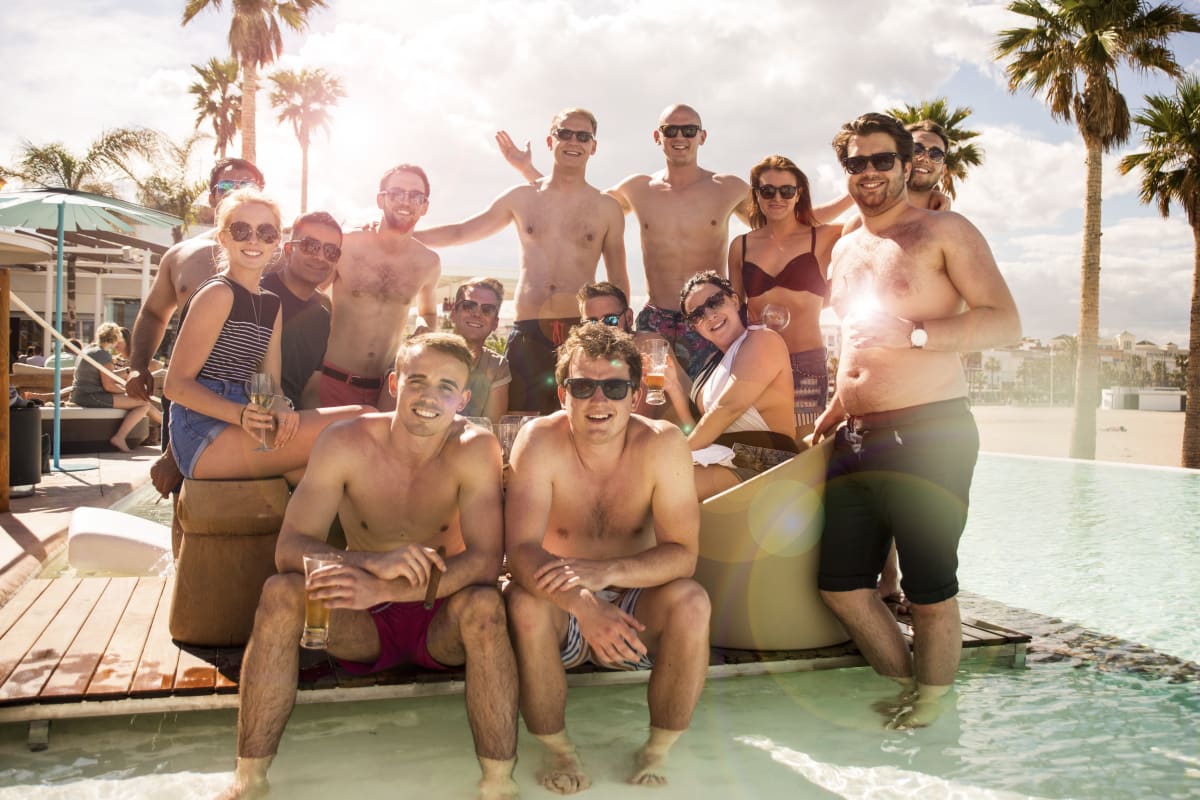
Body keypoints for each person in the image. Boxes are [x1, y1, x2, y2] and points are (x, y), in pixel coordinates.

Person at [218, 332, 518, 800]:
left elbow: (484, 561)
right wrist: (372, 565)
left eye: (445, 386)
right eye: (418, 380)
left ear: (462, 399)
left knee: (485, 606)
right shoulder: (346, 441)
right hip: (361, 622)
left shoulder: (475, 448)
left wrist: (388, 589)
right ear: (396, 383)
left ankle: (499, 784)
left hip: (442, 617)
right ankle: (249, 779)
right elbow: (290, 548)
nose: (429, 396)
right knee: (280, 592)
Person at [814, 113, 1021, 728]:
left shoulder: (944, 231)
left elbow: (1005, 322)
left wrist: (918, 332)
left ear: (909, 165)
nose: (869, 173)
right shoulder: (847, 246)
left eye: (882, 160)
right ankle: (910, 684)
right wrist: (835, 403)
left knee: (930, 592)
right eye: (856, 163)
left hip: (929, 433)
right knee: (842, 586)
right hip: (855, 435)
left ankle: (932, 711)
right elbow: (853, 341)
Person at [498, 103, 851, 378]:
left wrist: (855, 195)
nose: (679, 136)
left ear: (702, 136)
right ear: (658, 136)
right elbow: (580, 204)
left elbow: (791, 217)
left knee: (706, 408)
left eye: (689, 129)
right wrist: (527, 171)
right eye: (671, 130)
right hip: (656, 322)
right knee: (650, 409)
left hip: (711, 321)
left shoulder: (727, 188)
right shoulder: (637, 188)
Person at [504, 323, 709, 792]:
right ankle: (559, 750)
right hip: (561, 604)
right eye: (583, 387)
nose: (599, 402)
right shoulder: (538, 441)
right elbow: (520, 551)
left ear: (635, 396)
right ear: (563, 394)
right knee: (524, 603)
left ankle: (657, 749)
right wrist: (583, 602)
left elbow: (684, 557)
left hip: (635, 612)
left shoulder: (662, 445)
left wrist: (609, 572)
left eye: (614, 387)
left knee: (692, 601)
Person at [418, 108, 628, 416]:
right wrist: (406, 233)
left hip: (579, 328)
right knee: (516, 422)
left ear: (593, 146)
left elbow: (618, 281)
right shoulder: (521, 197)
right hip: (528, 329)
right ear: (550, 140)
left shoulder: (607, 208)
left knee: (577, 420)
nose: (573, 141)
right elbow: (462, 230)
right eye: (564, 133)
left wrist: (620, 334)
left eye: (583, 136)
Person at [163, 188, 366, 485]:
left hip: (248, 421)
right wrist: (241, 414)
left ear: (276, 242)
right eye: (241, 230)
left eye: (266, 232)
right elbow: (175, 386)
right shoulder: (218, 294)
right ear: (223, 238)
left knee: (316, 477)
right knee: (363, 419)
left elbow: (268, 385)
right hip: (203, 432)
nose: (254, 240)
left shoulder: (271, 304)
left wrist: (282, 408)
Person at [127, 158, 265, 404]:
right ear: (212, 197)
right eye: (225, 186)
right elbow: (153, 314)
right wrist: (138, 366)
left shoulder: (276, 256)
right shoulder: (181, 255)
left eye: (247, 186)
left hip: (253, 391)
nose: (236, 192)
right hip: (186, 388)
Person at [728, 156, 840, 437]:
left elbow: (879, 219)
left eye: (786, 191)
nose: (776, 197)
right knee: (762, 443)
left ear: (798, 194)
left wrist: (931, 199)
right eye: (768, 191)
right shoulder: (740, 246)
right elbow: (735, 311)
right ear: (757, 194)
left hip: (806, 360)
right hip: (757, 361)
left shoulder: (822, 237)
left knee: (804, 444)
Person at [662, 272, 797, 500]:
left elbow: (728, 409)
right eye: (697, 315)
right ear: (695, 327)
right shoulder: (711, 366)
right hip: (721, 456)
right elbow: (701, 429)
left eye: (714, 302)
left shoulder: (763, 340)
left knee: (664, 485)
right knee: (647, 479)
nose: (710, 315)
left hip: (767, 461)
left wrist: (678, 455)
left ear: (734, 300)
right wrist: (674, 387)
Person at [321, 164, 441, 409]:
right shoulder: (347, 245)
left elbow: (427, 313)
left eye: (415, 196)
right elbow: (308, 295)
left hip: (387, 392)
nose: (405, 201)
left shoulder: (428, 262)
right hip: (331, 383)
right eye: (396, 193)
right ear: (380, 200)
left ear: (425, 206)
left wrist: (423, 330)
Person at [260, 211, 338, 409]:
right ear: (288, 250)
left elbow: (311, 389)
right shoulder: (255, 295)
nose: (320, 256)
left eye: (331, 251)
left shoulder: (322, 315)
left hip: (291, 424)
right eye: (310, 246)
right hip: (247, 418)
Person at [70, 322, 162, 452]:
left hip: (81, 394)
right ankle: (119, 437)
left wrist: (127, 372)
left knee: (140, 402)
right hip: (92, 397)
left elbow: (106, 375)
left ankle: (165, 423)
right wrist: (128, 391)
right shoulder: (103, 354)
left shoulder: (89, 350)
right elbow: (108, 386)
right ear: (115, 338)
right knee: (143, 404)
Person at [448, 277, 511, 423]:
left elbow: (492, 428)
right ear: (453, 313)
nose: (477, 314)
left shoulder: (497, 366)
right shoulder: (426, 354)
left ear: (495, 323)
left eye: (487, 309)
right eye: (469, 306)